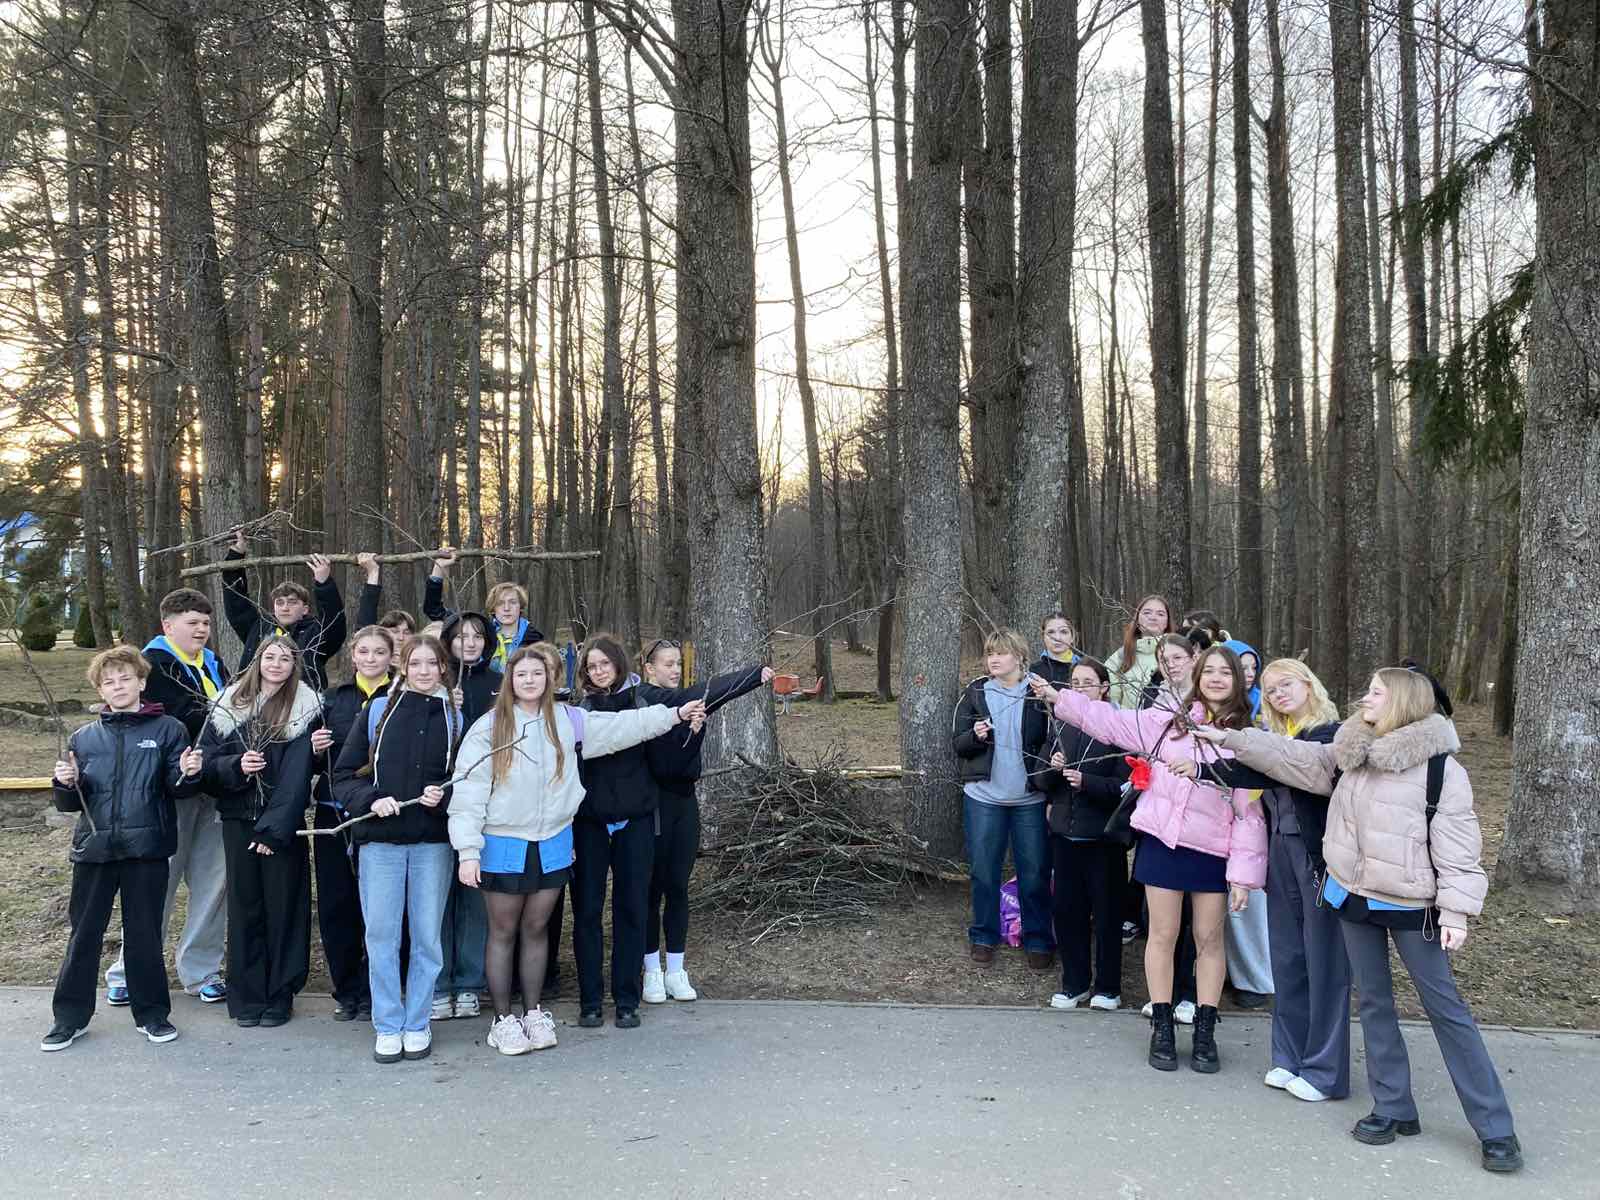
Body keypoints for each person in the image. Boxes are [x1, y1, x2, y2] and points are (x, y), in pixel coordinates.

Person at [1196, 666, 1523, 1173]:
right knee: (1373, 1003)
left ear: (1402, 701)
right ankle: (1393, 1107)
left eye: (1375, 692)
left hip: (1413, 905)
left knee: (1445, 1010)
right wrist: (1233, 739)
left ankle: (1495, 1128)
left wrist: (1456, 910)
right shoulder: (1351, 752)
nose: (1363, 698)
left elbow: (1460, 847)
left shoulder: (1441, 769)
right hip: (1352, 896)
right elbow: (1295, 757)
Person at [450, 643, 699, 1055]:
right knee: (503, 931)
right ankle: (503, 1020)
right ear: (510, 680)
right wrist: (468, 850)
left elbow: (625, 726)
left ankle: (533, 1013)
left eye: (537, 673)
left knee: (536, 930)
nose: (530, 680)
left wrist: (674, 714)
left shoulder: (568, 721)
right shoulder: (489, 727)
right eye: (521, 674)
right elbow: (468, 792)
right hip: (504, 841)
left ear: (549, 679)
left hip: (553, 840)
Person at [1032, 644, 1267, 1074]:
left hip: (1213, 851)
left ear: (1237, 681)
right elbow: (1111, 720)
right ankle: (1161, 1025)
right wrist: (1059, 697)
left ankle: (1205, 1030)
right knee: (1162, 934)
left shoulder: (1246, 740)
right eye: (1209, 671)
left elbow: (1249, 815)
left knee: (1209, 940)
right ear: (1197, 678)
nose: (1216, 678)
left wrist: (1242, 877)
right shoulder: (1167, 722)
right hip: (1162, 841)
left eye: (1225, 672)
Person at [1186, 658, 1348, 1101]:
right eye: (1271, 689)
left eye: (1286, 684)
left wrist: (1236, 742)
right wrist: (1196, 768)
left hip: (1319, 859)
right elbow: (1248, 772)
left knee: (1325, 962)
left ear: (1309, 685)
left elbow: (1301, 769)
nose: (1278, 693)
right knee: (1288, 957)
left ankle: (1325, 1071)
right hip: (1280, 854)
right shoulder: (1279, 739)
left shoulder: (1331, 735)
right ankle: (1288, 1057)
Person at [42, 647, 204, 1051]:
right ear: (100, 690)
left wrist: (187, 773)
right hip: (94, 850)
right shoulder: (83, 737)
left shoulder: (168, 729)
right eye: (109, 682)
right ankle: (69, 1019)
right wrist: (66, 782)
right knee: (84, 935)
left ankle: (152, 1015)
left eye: (125, 678)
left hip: (146, 850)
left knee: (144, 935)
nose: (118, 687)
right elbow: (70, 803)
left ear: (141, 682)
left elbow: (178, 787)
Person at [333, 635, 463, 1063]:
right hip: (381, 844)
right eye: (415, 663)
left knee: (427, 938)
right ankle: (388, 1024)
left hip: (432, 845)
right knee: (382, 936)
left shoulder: (455, 717)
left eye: (432, 663)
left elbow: (468, 781)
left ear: (443, 668)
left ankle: (418, 1022)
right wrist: (371, 800)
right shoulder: (377, 712)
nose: (424, 671)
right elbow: (343, 776)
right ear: (402, 667)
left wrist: (443, 796)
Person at [104, 587, 230, 1009]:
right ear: (168, 625)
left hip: (214, 788)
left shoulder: (213, 663)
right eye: (192, 622)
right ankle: (130, 971)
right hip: (168, 791)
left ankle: (202, 972)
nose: (202, 629)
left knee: (213, 884)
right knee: (156, 884)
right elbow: (178, 720)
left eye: (206, 622)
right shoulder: (152, 666)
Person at [572, 635, 706, 1027]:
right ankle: (590, 1001)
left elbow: (668, 762)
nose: (599, 671)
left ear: (618, 664)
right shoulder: (578, 712)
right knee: (587, 912)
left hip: (635, 821)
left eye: (605, 664)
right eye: (592, 666)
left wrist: (692, 732)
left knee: (631, 908)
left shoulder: (643, 703)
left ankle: (627, 999)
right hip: (590, 823)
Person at [636, 638, 774, 1003]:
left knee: (678, 888)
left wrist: (694, 734)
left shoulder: (687, 704)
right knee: (652, 890)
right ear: (649, 668)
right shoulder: (645, 698)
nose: (675, 670)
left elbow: (683, 763)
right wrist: (752, 676)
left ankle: (675, 970)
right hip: (654, 808)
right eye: (667, 664)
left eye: (678, 663)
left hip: (685, 806)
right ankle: (651, 972)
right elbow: (663, 764)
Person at [199, 636, 321, 1028]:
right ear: (257, 660)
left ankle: (280, 994)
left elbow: (298, 776)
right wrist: (236, 765)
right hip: (238, 820)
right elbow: (207, 765)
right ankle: (248, 995)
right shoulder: (227, 705)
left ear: (294, 666)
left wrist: (274, 831)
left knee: (284, 908)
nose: (276, 664)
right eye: (270, 656)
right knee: (245, 908)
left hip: (281, 827)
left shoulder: (304, 708)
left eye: (285, 658)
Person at [1030, 658, 1130, 1010]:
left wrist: (1088, 782)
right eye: (1074, 683)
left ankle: (1108, 988)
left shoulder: (1119, 727)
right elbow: (1039, 781)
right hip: (1065, 837)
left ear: (1104, 687)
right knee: (1067, 912)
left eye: (1088, 682)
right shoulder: (1062, 724)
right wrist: (1053, 767)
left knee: (1107, 916)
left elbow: (1125, 787)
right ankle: (1074, 984)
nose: (1080, 688)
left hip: (1103, 839)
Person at [953, 629, 1052, 969]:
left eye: (1001, 653)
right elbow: (958, 743)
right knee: (984, 871)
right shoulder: (976, 691)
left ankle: (1038, 939)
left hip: (1029, 799)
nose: (993, 659)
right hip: (984, 798)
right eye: (990, 653)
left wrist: (1045, 775)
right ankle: (983, 936)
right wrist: (975, 736)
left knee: (1034, 873)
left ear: (1019, 657)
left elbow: (1053, 740)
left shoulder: (1038, 691)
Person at [314, 623, 396, 1020]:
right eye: (363, 651)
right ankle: (346, 991)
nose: (371, 659)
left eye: (379, 652)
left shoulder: (402, 696)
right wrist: (314, 749)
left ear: (391, 657)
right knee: (337, 905)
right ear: (352, 655)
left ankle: (374, 990)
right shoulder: (333, 699)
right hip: (334, 811)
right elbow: (313, 762)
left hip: (380, 812)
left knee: (378, 909)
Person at [431, 610, 500, 1020]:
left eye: (477, 636)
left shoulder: (499, 684)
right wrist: (446, 706)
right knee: (439, 899)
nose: (469, 643)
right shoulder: (435, 682)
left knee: (474, 898)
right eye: (461, 636)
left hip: (482, 804)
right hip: (437, 803)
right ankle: (440, 983)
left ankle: (471, 982)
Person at [220, 530, 347, 691]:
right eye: (280, 602)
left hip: (301, 704)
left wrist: (324, 582)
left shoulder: (316, 634)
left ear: (305, 609)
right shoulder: (258, 628)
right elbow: (236, 602)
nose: (285, 607)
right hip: (256, 701)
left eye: (292, 602)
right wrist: (235, 556)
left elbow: (334, 622)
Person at [423, 549, 544, 671]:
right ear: (493, 608)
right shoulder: (481, 631)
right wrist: (438, 568)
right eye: (500, 603)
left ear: (521, 606)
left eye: (512, 602)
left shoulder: (534, 639)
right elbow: (434, 610)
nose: (507, 608)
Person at [1104, 594, 1175, 708]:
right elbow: (1111, 701)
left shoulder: (1178, 655)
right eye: (1147, 613)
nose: (1153, 617)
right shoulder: (1121, 656)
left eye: (1160, 614)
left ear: (1167, 622)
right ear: (1137, 619)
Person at [1032, 611, 1081, 687]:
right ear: (1043, 637)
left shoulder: (1086, 668)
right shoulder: (1035, 671)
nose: (1057, 638)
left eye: (1063, 632)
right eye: (1051, 632)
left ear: (1072, 637)